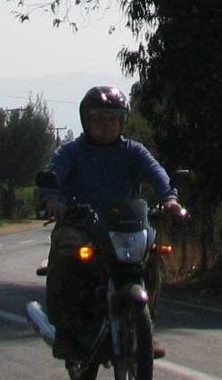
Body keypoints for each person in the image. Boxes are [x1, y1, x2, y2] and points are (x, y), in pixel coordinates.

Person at [42, 85, 185, 359]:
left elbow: (158, 175)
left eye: (112, 118)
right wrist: (52, 199)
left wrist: (170, 199)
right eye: (98, 118)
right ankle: (66, 331)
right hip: (82, 226)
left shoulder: (133, 151)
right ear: (86, 120)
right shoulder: (70, 152)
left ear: (122, 121)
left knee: (153, 257)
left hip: (125, 227)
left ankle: (146, 327)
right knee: (66, 250)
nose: (106, 125)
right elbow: (52, 177)